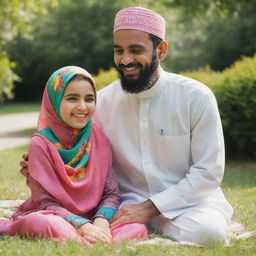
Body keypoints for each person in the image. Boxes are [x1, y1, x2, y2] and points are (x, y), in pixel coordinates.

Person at [20, 7, 234, 246]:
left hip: (188, 203)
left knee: (211, 234)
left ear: (161, 50)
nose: (125, 60)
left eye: (136, 50)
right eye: (118, 51)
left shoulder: (196, 97)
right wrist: (43, 162)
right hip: (124, 206)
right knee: (102, 233)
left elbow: (209, 171)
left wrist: (151, 208)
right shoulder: (102, 103)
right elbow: (78, 148)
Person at [0, 66, 147, 245]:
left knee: (136, 227)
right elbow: (46, 203)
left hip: (95, 217)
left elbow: (111, 193)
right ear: (54, 101)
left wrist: (100, 222)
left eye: (89, 99)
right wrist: (82, 225)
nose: (82, 107)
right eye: (72, 98)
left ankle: (88, 240)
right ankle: (88, 241)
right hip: (56, 217)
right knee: (43, 223)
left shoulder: (98, 137)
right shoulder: (41, 144)